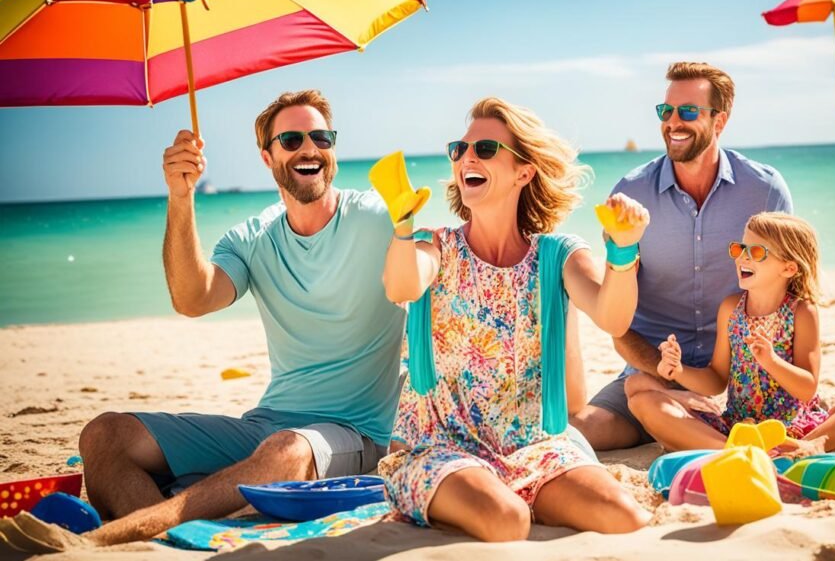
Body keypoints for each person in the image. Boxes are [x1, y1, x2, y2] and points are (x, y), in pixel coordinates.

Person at [76, 90, 406, 545]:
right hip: (267, 425)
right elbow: (192, 299)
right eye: (291, 140)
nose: (309, 149)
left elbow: (430, 275)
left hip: (357, 434)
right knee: (105, 435)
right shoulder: (251, 238)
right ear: (267, 157)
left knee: (287, 450)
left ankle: (128, 531)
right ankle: (155, 541)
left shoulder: (376, 216)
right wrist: (180, 197)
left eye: (321, 137)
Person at [374, 97, 652, 542]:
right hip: (441, 449)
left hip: (535, 448)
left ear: (524, 171)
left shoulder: (557, 255)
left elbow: (612, 317)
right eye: (459, 149)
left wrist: (622, 251)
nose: (467, 157)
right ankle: (452, 500)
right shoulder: (435, 246)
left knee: (624, 516)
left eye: (484, 149)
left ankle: (517, 497)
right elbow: (401, 286)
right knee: (506, 520)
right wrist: (402, 226)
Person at [571, 61, 800, 450]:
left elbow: (788, 294)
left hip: (741, 379)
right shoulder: (631, 194)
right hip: (651, 372)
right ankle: (688, 421)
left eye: (688, 112)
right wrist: (665, 377)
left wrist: (767, 378)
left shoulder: (763, 189)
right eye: (666, 111)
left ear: (720, 121)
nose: (673, 122)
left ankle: (716, 434)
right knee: (579, 432)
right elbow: (617, 318)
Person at [626, 212, 835, 452]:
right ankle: (741, 449)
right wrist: (678, 370)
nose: (742, 256)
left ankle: (811, 444)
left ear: (788, 268)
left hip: (792, 425)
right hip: (740, 427)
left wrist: (771, 361)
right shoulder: (731, 309)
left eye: (756, 252)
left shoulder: (801, 312)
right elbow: (717, 379)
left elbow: (807, 388)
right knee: (640, 396)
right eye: (741, 248)